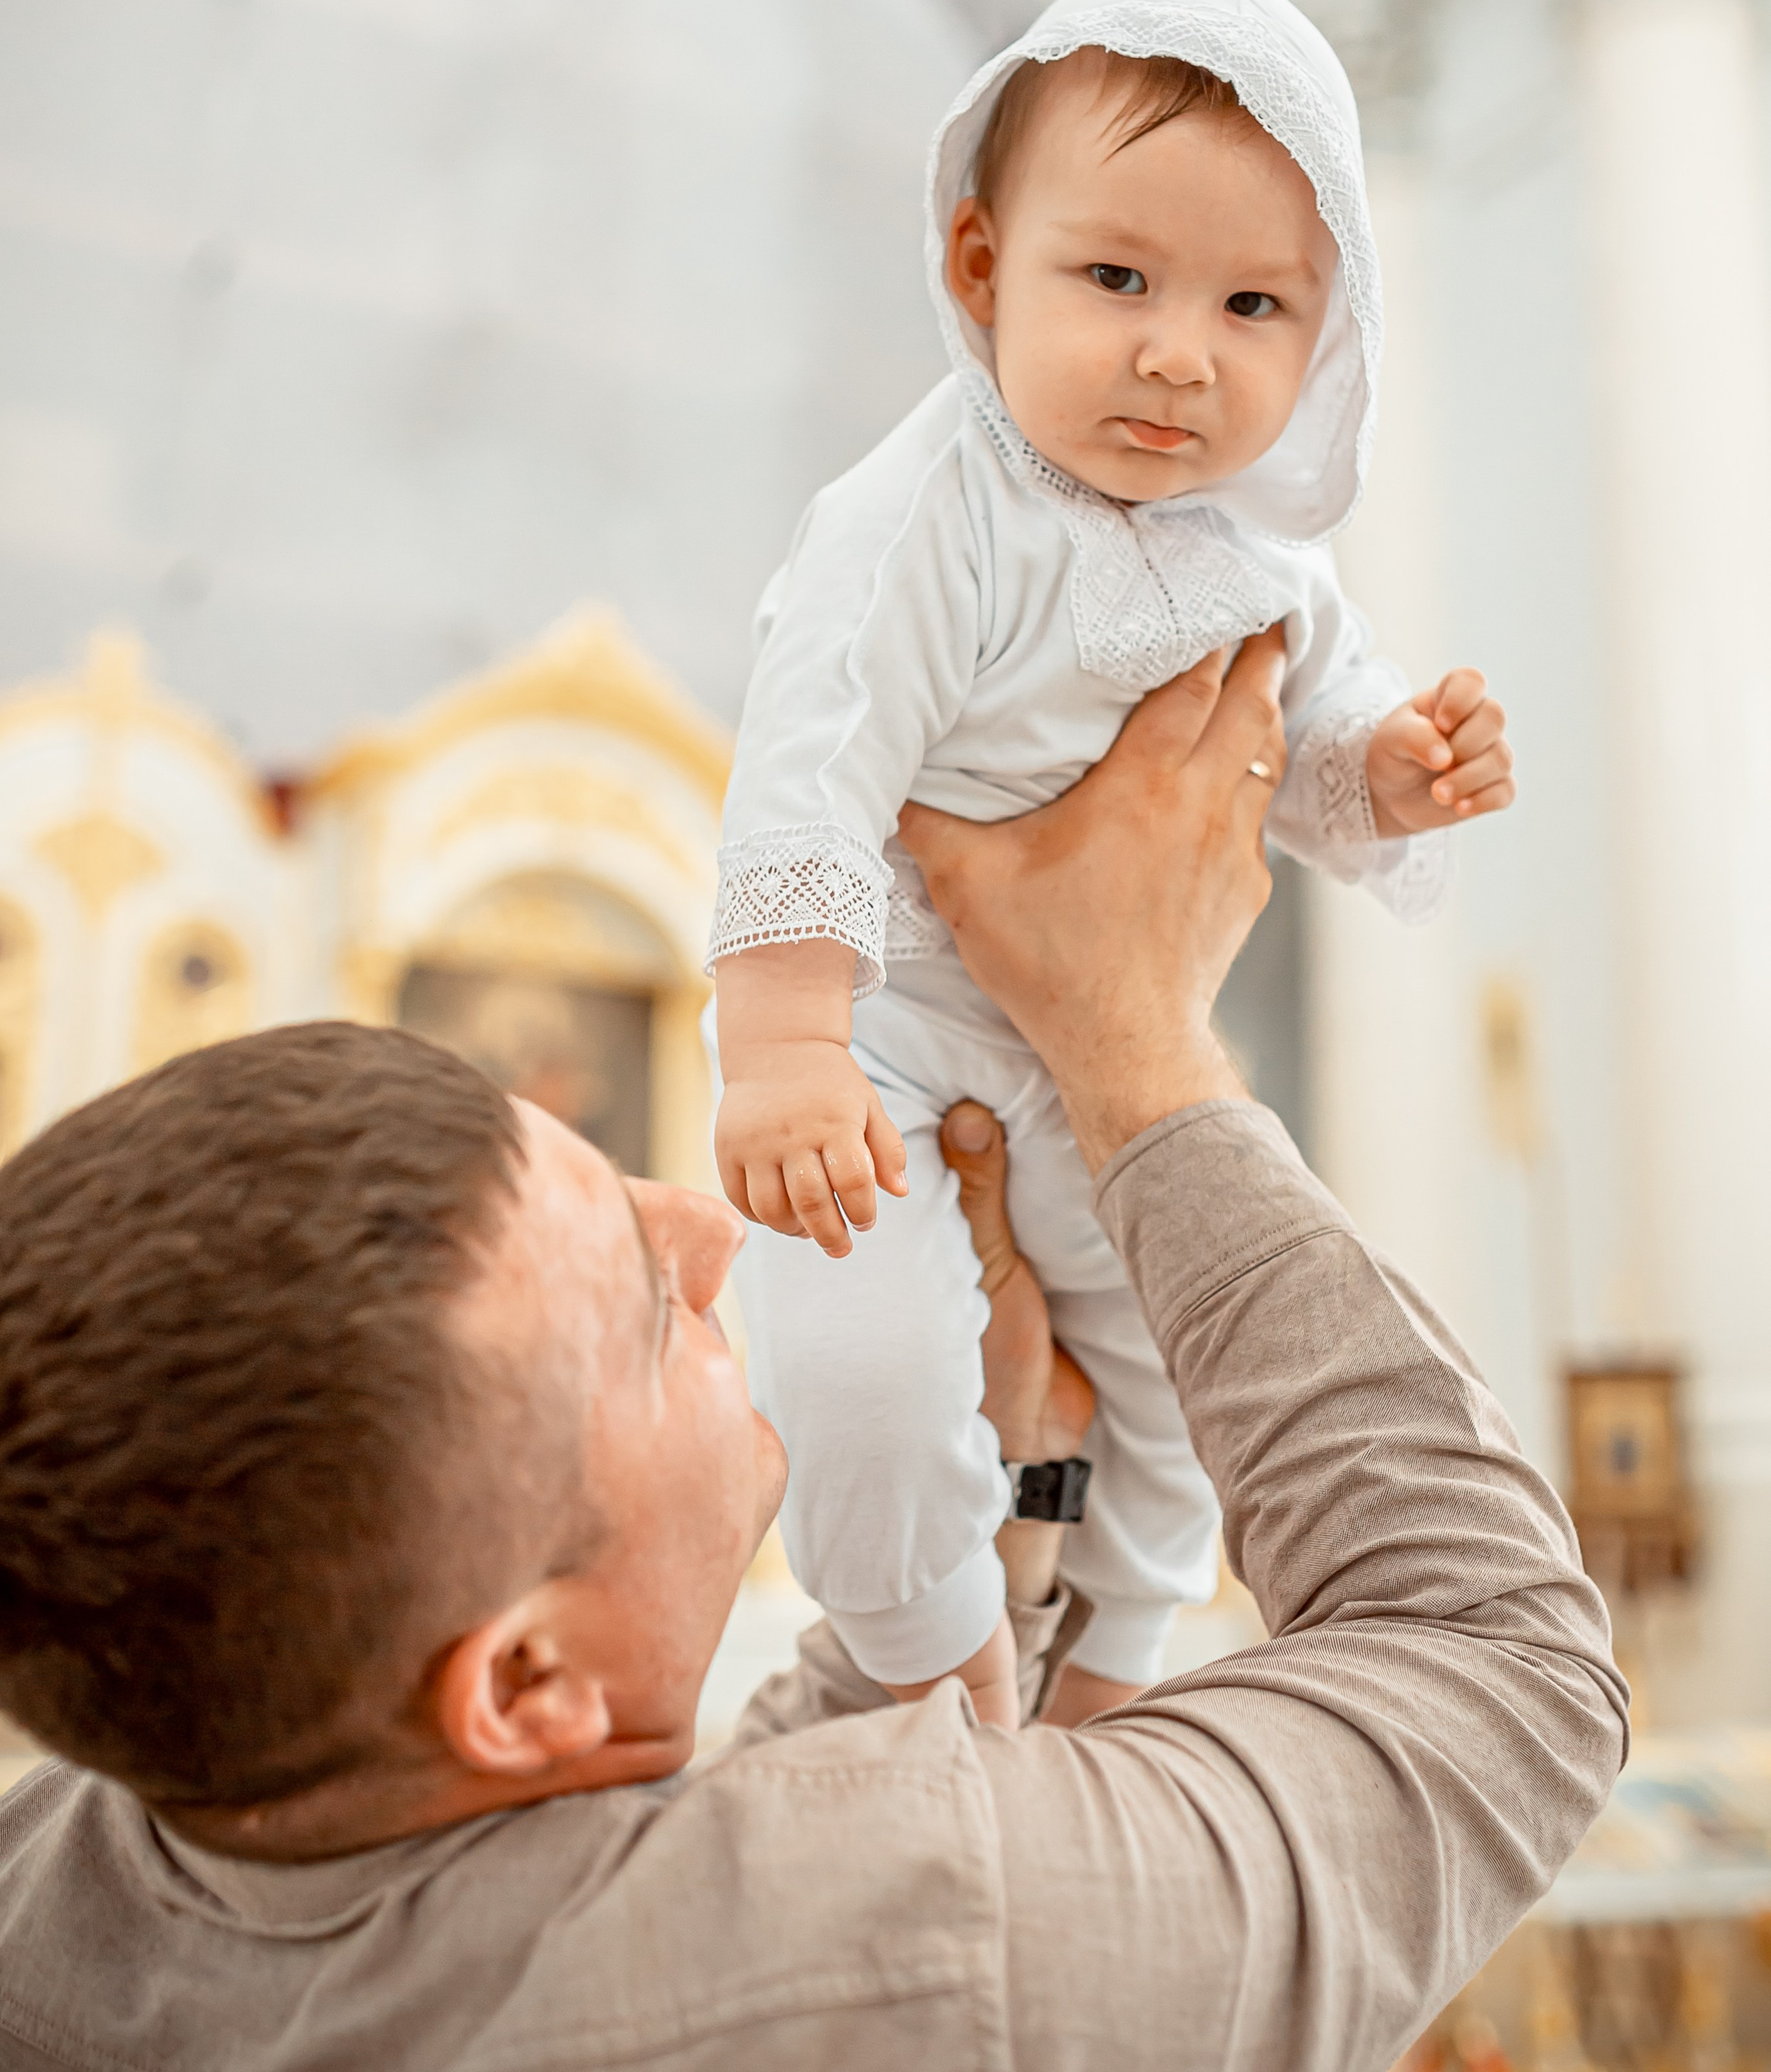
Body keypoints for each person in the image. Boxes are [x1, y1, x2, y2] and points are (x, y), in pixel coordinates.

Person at [0, 633, 1621, 2071]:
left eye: (626, 1185)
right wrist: (1133, 1040)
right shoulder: (919, 1949)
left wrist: (1000, 1471)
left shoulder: (67, 1856)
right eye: (646, 1306)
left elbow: (681, 1861)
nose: (710, 1230)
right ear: (522, 1679)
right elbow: (1499, 1660)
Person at [709, 0, 1516, 1729]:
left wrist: (1382, 769)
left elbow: (1299, 739)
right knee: (852, 1341)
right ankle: (931, 1637)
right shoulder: (930, 507)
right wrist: (779, 1048)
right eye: (1115, 278)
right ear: (984, 265)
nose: (1176, 351)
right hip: (893, 1021)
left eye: (1251, 305)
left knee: (1172, 1355)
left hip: (1106, 1059)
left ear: (1326, 337)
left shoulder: (1265, 555)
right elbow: (814, 761)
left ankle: (1128, 1642)